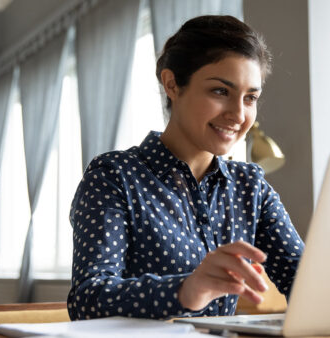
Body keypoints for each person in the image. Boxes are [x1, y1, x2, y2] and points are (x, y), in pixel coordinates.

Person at [67, 15, 304, 320]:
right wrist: (186, 290)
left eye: (250, 98)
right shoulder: (114, 176)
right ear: (172, 84)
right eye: (220, 91)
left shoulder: (250, 187)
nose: (238, 113)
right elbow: (88, 299)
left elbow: (305, 282)